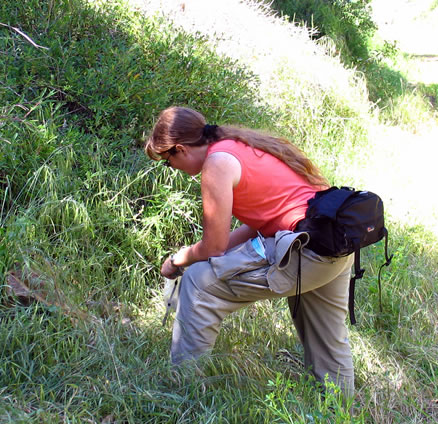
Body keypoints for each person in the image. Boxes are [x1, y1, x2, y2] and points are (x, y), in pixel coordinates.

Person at [145, 106, 355, 396]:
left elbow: (213, 247)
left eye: (168, 162)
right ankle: (339, 419)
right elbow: (262, 224)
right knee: (328, 338)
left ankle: (182, 392)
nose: (174, 169)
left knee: (198, 282)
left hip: (303, 251)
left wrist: (177, 260)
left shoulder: (216, 165)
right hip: (334, 243)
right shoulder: (240, 145)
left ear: (180, 149)